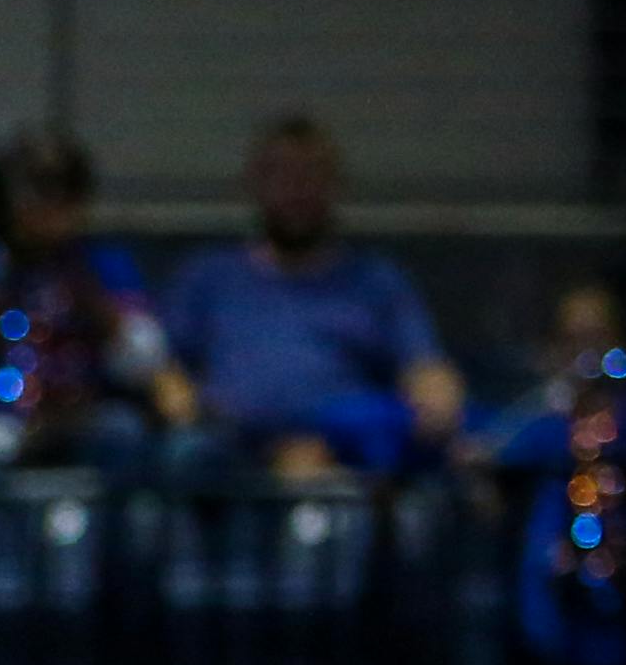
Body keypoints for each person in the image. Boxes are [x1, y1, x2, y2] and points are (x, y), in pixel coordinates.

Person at [160, 116, 462, 480]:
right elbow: (164, 363)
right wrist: (178, 399)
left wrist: (436, 396)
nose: (297, 192)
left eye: (311, 177)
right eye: (282, 177)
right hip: (232, 454)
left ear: (336, 186)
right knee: (184, 457)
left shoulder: (376, 281)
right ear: (254, 184)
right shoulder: (209, 277)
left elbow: (424, 365)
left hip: (341, 458)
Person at [0, 124, 188, 475]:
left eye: (58, 193)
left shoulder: (104, 264)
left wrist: (85, 289)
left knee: (123, 430)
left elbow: (144, 361)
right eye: (32, 192)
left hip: (80, 420)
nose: (44, 208)